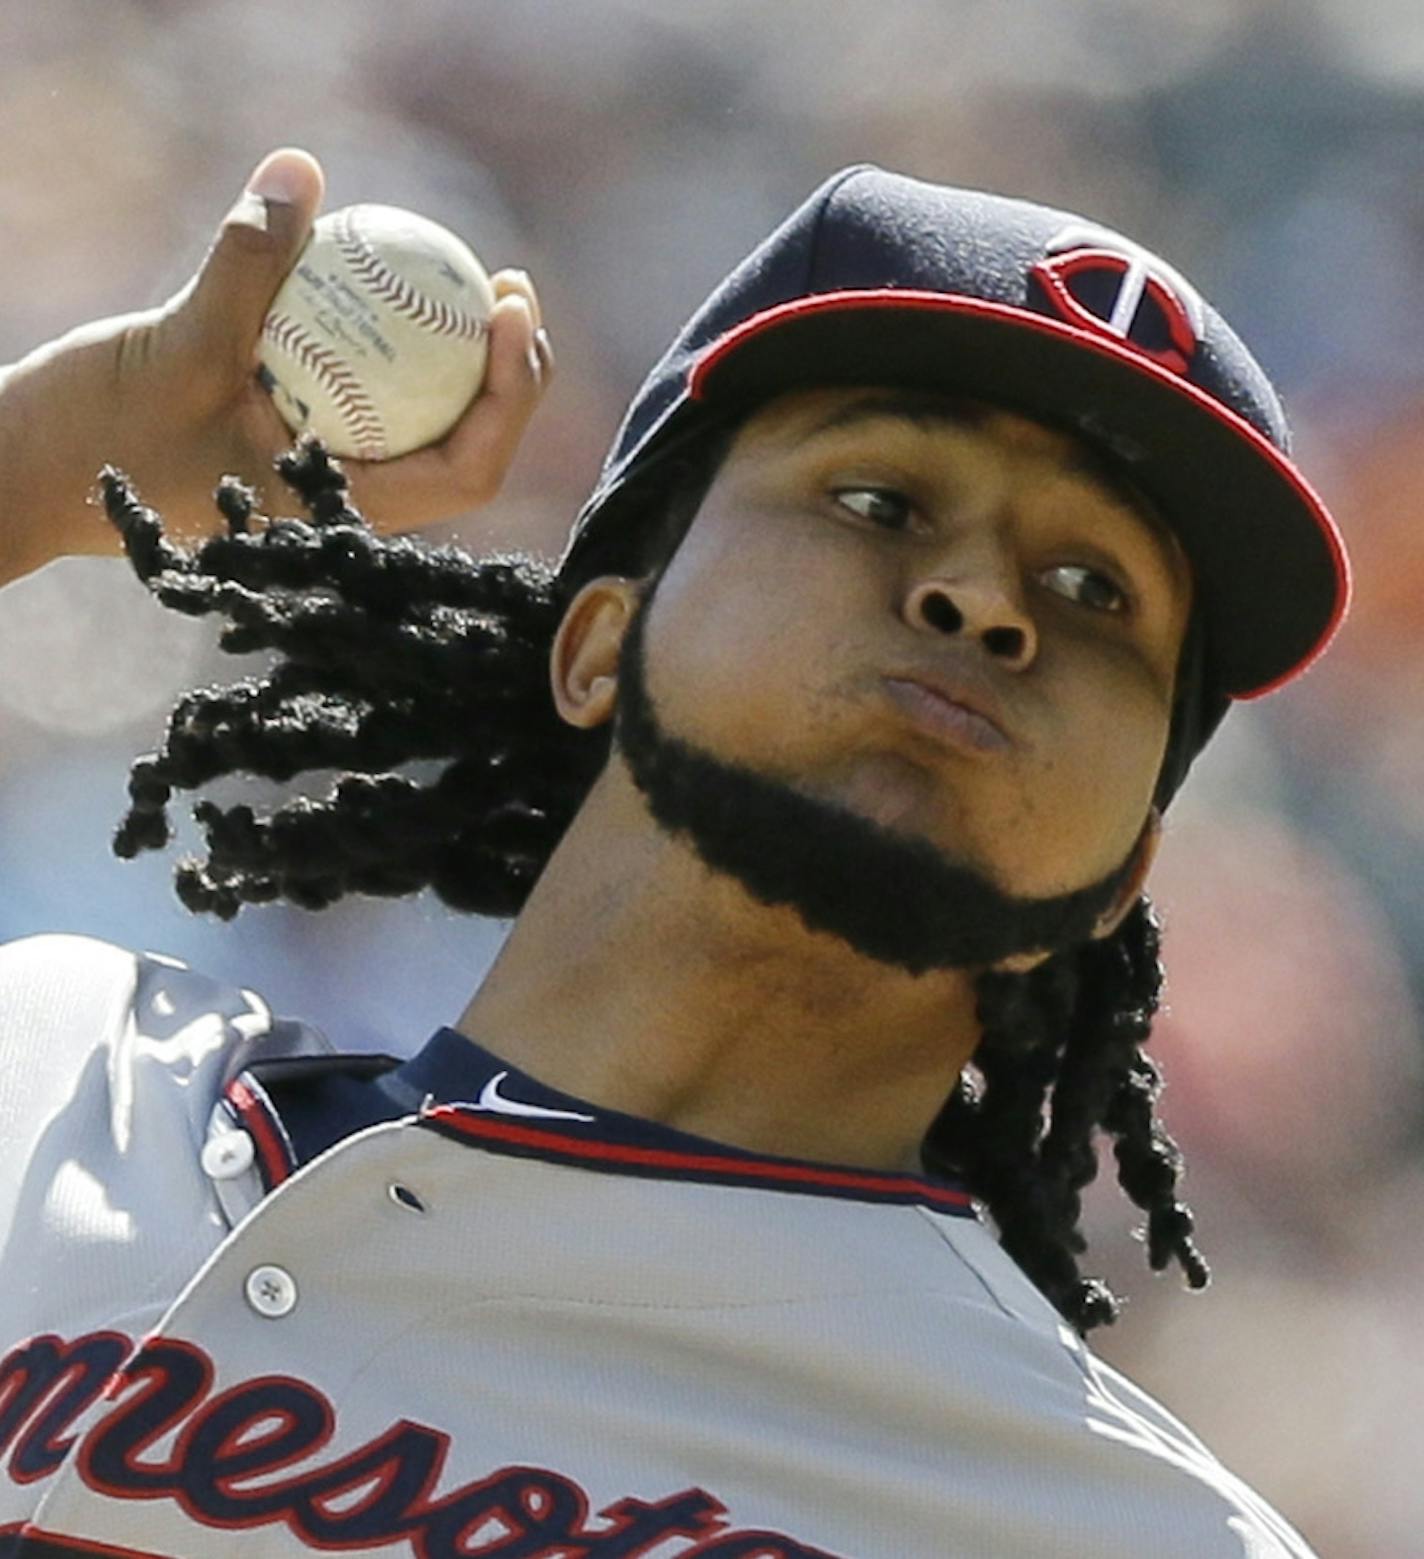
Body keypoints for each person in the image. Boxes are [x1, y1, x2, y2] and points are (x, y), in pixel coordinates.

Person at [0, 148, 1345, 1558]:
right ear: (599, 642)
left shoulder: (1121, 1537)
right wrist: (43, 465)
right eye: (879, 502)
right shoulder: (56, 1073)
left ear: (1119, 876)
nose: (982, 600)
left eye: (1096, 593)